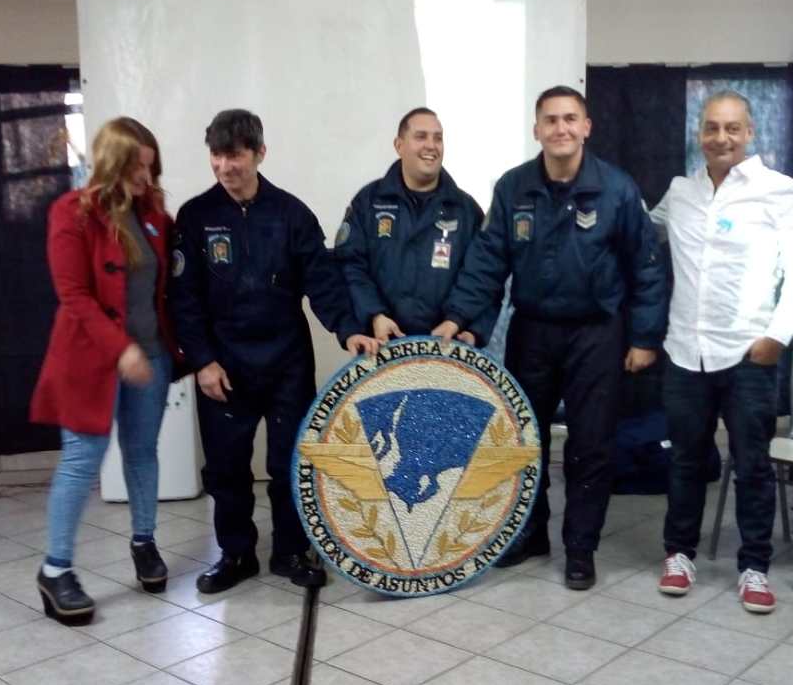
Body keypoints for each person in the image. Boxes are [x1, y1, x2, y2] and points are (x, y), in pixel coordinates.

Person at [434, 86, 667, 590]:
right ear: (536, 129)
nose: (561, 128)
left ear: (586, 127)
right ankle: (530, 532)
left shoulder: (618, 189)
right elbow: (487, 261)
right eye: (551, 120)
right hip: (534, 330)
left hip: (597, 333)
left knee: (591, 444)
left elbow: (647, 267)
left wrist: (645, 337)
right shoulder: (513, 187)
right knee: (523, 439)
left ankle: (580, 548)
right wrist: (456, 318)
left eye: (570, 119)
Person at [169, 109, 378, 593]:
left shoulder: (291, 214)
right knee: (226, 468)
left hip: (286, 362)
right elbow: (184, 298)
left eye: (235, 155)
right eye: (217, 156)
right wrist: (202, 361)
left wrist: (349, 330)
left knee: (288, 465)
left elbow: (322, 283)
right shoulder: (196, 216)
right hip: (224, 366)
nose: (225, 166)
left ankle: (290, 551)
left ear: (260, 153)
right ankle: (236, 554)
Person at [650, 90, 793, 614]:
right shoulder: (681, 192)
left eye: (731, 128)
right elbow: (639, 230)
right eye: (711, 127)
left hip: (749, 354)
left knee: (753, 465)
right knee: (685, 461)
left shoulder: (779, 191)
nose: (720, 138)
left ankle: (754, 567)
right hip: (685, 352)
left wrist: (778, 335)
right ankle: (680, 555)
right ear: (699, 133)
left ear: (749, 133)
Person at [31, 117, 177, 624]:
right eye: (138, 167)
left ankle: (144, 542)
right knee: (82, 459)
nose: (147, 176)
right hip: (91, 360)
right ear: (114, 163)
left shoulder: (153, 214)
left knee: (142, 451)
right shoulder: (71, 212)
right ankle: (55, 570)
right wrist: (120, 348)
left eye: (151, 167)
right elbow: (73, 295)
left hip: (150, 355)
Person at [334, 107, 497, 345]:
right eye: (421, 137)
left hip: (446, 348)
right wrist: (374, 315)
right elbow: (350, 266)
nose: (431, 145)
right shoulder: (368, 203)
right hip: (381, 345)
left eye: (438, 138)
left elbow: (485, 276)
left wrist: (465, 326)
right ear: (399, 145)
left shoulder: (466, 210)